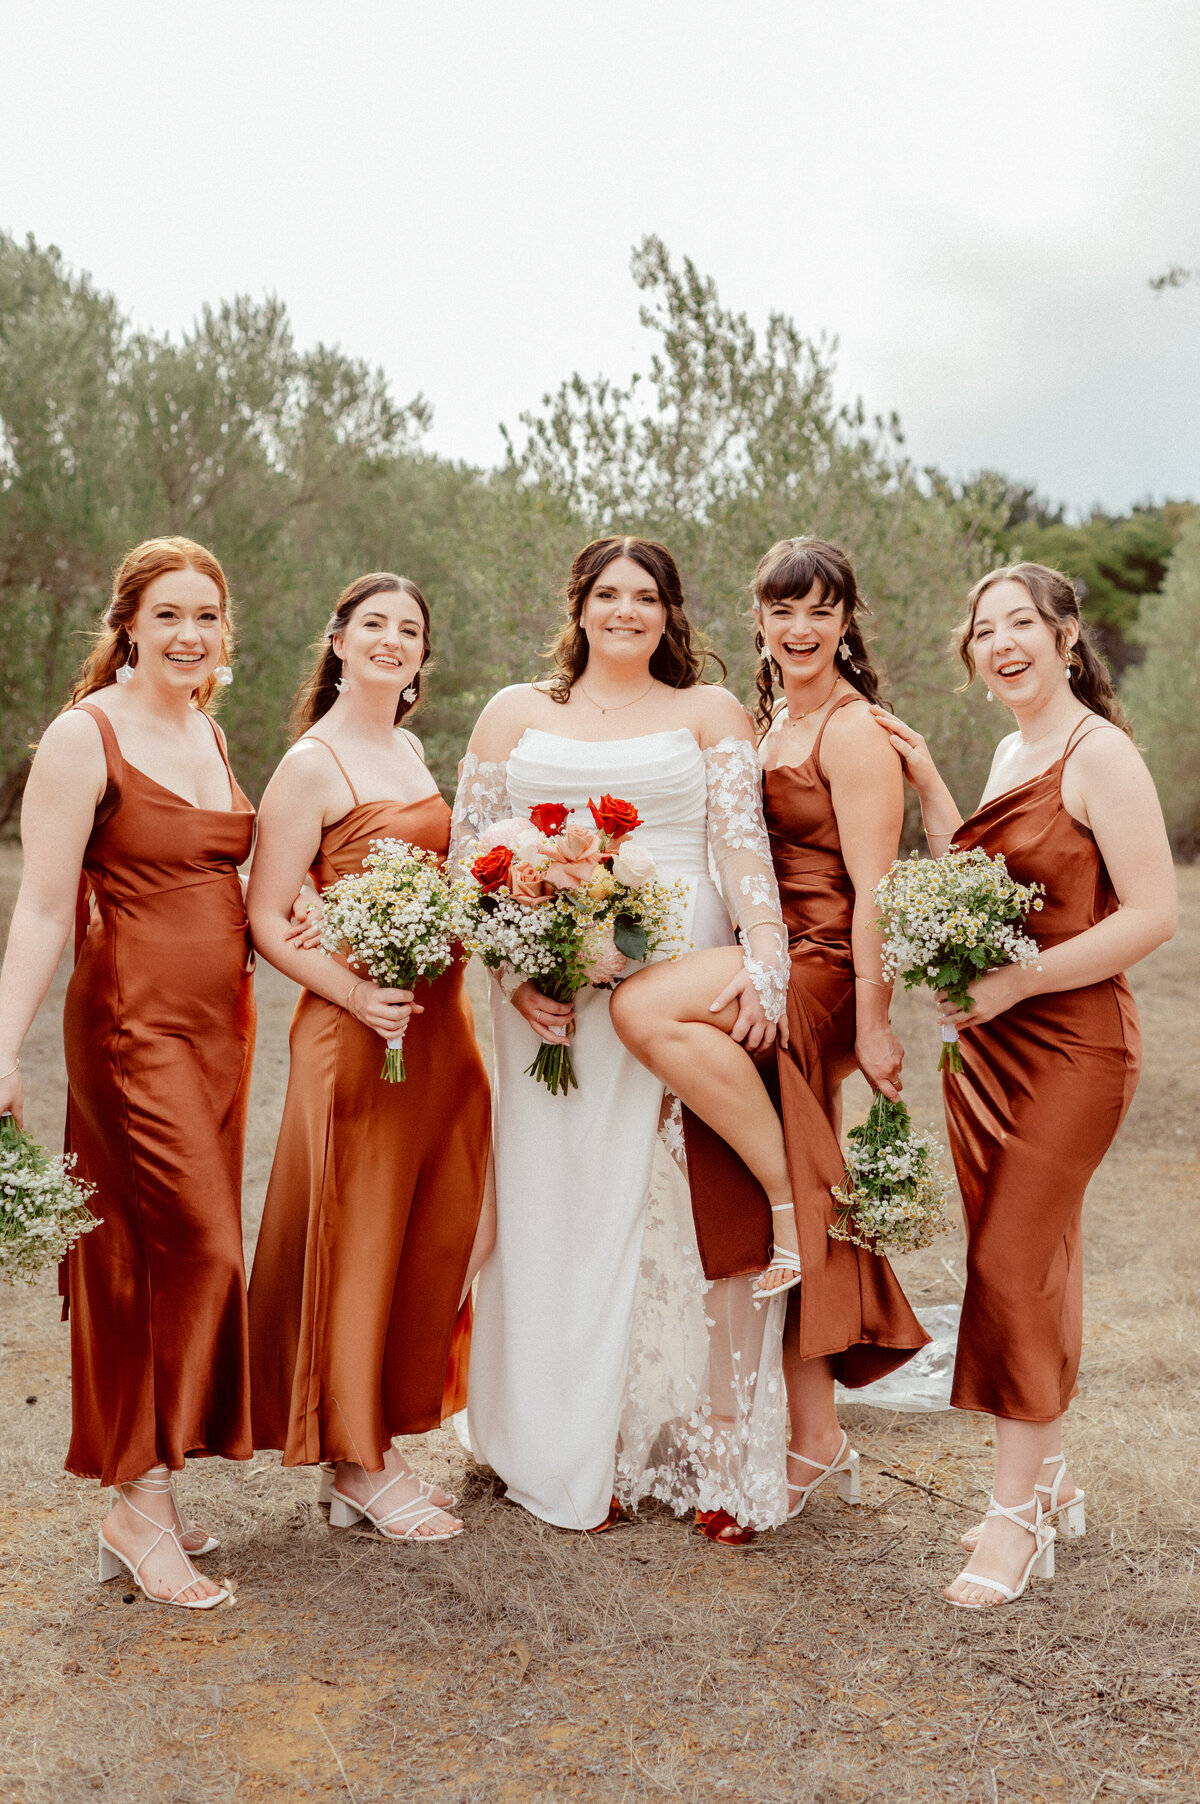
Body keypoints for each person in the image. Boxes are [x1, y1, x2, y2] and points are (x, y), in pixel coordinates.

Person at [450, 536, 791, 1541]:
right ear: (579, 605)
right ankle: (552, 1443)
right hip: (546, 998)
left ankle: (681, 1436)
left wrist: (765, 955)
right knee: (552, 1202)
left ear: (670, 613)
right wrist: (516, 975)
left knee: (668, 1213)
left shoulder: (709, 711)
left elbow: (740, 850)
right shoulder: (513, 713)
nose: (627, 610)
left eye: (647, 596)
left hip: (671, 984)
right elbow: (468, 860)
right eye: (609, 593)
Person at [872, 561, 1176, 1608]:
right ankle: (1049, 1478)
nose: (1000, 643)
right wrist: (930, 790)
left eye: (1020, 624)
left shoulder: (1102, 755)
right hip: (991, 1046)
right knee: (1028, 1258)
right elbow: (994, 882)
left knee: (1009, 1262)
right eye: (983, 629)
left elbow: (1153, 915)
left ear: (1065, 635)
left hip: (1075, 1048)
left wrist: (1022, 981)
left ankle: (1013, 1518)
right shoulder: (1012, 749)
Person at [612, 537, 927, 1524]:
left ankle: (798, 1199)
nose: (800, 628)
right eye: (783, 610)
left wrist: (872, 1022)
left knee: (643, 1007)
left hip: (821, 970)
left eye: (820, 611)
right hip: (766, 961)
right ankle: (812, 1437)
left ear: (846, 622)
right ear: (759, 619)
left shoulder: (852, 731)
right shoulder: (767, 723)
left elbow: (877, 892)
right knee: (736, 1178)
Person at [0, 536, 256, 1609]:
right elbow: (42, 907)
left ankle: (150, 1487)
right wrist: (2, 1046)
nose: (189, 633)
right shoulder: (84, 734)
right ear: (129, 625)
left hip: (223, 1033)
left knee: (168, 1256)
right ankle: (136, 1506)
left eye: (206, 614)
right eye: (168, 614)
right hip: (131, 1028)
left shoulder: (208, 727)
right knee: (194, 1248)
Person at [246, 574, 491, 1543]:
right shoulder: (310, 765)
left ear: (423, 655)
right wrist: (354, 993)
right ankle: (357, 1461)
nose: (393, 639)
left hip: (436, 1030)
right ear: (339, 640)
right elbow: (268, 916)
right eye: (374, 624)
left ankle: (374, 1433)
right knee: (359, 1235)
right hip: (358, 1035)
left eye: (410, 629)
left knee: (426, 1231)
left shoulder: (410, 749)